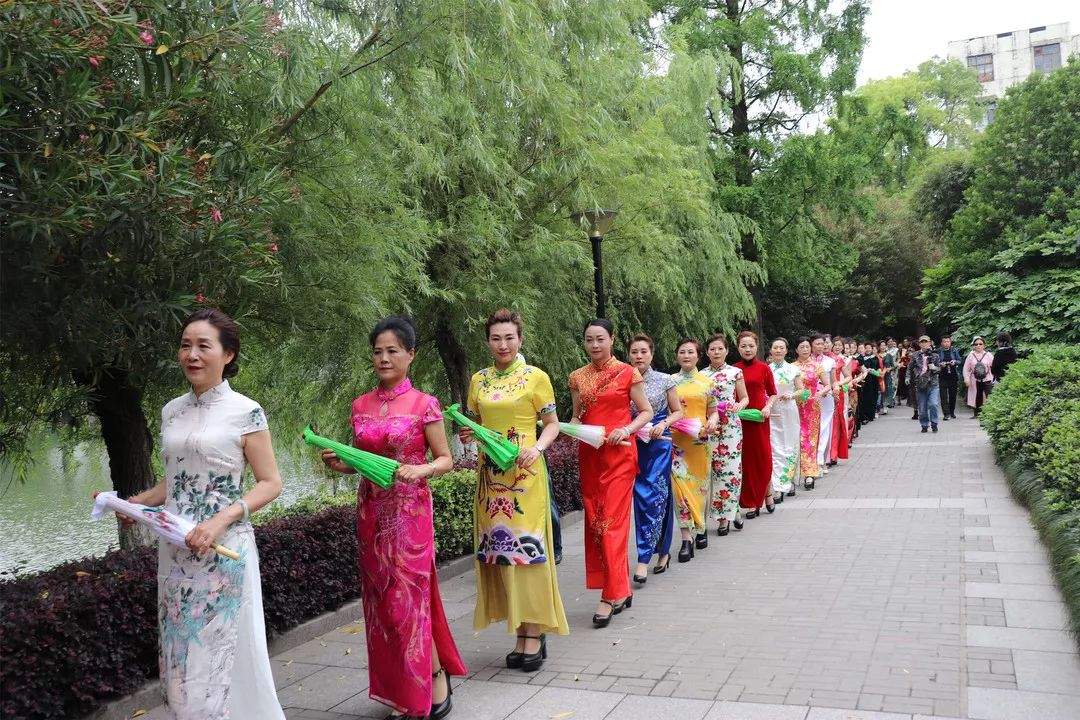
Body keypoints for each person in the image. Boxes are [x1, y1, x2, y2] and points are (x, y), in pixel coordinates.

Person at [118, 309, 285, 720]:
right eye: (185, 345)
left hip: (223, 551)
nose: (191, 354)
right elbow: (174, 482)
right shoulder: (171, 410)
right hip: (176, 551)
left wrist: (219, 521)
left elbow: (270, 483)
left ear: (227, 354)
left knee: (223, 654)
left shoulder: (247, 411)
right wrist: (135, 503)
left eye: (203, 346)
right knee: (181, 652)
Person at [322, 316, 466, 719]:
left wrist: (420, 470)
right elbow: (361, 462)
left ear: (410, 355)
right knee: (384, 603)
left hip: (409, 515)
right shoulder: (360, 405)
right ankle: (403, 688)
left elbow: (445, 459)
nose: (384, 358)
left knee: (411, 600)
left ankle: (433, 676)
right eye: (378, 351)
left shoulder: (425, 403)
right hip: (370, 512)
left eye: (393, 351)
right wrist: (341, 464)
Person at [459, 310, 568, 673]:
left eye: (509, 337)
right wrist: (469, 433)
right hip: (491, 477)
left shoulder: (536, 377)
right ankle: (520, 631)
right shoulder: (479, 380)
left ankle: (534, 632)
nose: (503, 345)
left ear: (520, 339)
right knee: (501, 552)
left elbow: (551, 424)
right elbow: (478, 424)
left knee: (528, 550)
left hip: (524, 473)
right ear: (488, 341)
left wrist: (536, 448)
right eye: (496, 338)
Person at [569, 319, 654, 628]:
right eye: (589, 339)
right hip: (591, 455)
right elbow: (576, 415)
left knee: (611, 525)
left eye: (600, 339)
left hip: (619, 455)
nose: (595, 345)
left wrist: (627, 429)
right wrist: (573, 427)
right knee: (596, 522)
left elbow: (646, 411)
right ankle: (622, 587)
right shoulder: (577, 377)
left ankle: (610, 595)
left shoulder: (627, 372)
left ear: (612, 340)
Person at [627, 334, 683, 581]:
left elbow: (678, 411)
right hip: (633, 444)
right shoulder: (624, 379)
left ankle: (642, 558)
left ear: (651, 354)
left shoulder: (665, 379)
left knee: (652, 495)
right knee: (655, 497)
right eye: (634, 352)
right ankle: (663, 550)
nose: (638, 356)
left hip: (659, 443)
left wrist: (664, 424)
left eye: (643, 352)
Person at [671, 339, 720, 559]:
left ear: (698, 356)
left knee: (701, 487)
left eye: (691, 352)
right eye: (682, 352)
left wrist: (712, 422)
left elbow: (714, 411)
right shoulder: (669, 382)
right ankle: (685, 538)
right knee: (679, 487)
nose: (686, 355)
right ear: (677, 356)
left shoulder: (707, 382)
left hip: (700, 440)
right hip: (676, 442)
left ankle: (700, 527)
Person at [702, 335, 749, 532]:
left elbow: (745, 398)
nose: (716, 352)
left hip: (730, 426)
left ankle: (724, 518)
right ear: (706, 353)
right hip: (709, 425)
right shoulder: (701, 375)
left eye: (720, 349)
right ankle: (733, 509)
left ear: (727, 351)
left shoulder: (735, 372)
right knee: (711, 471)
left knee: (729, 470)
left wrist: (738, 405)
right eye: (712, 349)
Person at [733, 331, 777, 516]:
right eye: (743, 346)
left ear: (757, 347)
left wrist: (767, 407)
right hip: (740, 419)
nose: (747, 349)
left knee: (763, 457)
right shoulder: (733, 369)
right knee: (746, 460)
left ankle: (767, 491)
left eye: (751, 346)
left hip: (759, 418)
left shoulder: (764, 368)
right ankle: (752, 501)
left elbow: (773, 393)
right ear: (738, 348)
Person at [768, 338, 805, 502]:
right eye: (775, 347)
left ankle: (789, 481)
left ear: (786, 350)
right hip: (772, 410)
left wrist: (791, 395)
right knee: (774, 446)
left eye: (781, 348)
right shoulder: (766, 369)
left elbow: (802, 390)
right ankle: (777, 486)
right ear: (771, 350)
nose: (778, 350)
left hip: (789, 410)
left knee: (790, 445)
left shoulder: (793, 369)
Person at [794, 337, 826, 489]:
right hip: (794, 407)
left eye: (807, 346)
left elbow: (828, 385)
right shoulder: (791, 367)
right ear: (796, 350)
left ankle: (809, 474)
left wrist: (821, 392)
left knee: (810, 440)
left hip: (812, 408)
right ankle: (792, 475)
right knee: (795, 440)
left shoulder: (817, 366)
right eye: (802, 347)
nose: (805, 349)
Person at [811, 335, 836, 474]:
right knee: (811, 428)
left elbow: (833, 381)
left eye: (822, 344)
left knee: (824, 428)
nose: (820, 346)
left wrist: (834, 389)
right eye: (817, 344)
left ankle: (820, 461)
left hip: (826, 398)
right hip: (810, 398)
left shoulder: (830, 361)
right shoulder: (806, 362)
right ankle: (811, 460)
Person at [907, 335, 942, 433]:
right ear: (919, 344)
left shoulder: (935, 355)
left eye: (926, 342)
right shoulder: (915, 355)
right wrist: (907, 377)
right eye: (922, 342)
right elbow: (909, 368)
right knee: (922, 407)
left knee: (933, 404)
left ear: (930, 343)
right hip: (920, 384)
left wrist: (934, 368)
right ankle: (924, 425)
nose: (924, 344)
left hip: (933, 384)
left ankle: (934, 423)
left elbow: (939, 369)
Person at [828, 337, 850, 464]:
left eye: (838, 345)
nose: (836, 347)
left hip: (836, 392)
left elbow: (848, 377)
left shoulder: (839, 360)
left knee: (836, 422)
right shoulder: (818, 359)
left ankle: (833, 454)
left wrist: (838, 383)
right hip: (822, 392)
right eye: (834, 344)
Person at [963, 336, 995, 418]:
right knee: (977, 395)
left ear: (984, 345)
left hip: (987, 378)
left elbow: (994, 367)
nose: (978, 346)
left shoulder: (989, 355)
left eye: (980, 344)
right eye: (976, 344)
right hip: (975, 379)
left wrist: (994, 378)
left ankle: (990, 413)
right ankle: (977, 413)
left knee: (989, 395)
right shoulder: (970, 356)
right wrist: (966, 379)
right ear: (973, 345)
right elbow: (966, 368)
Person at [937, 335, 962, 420]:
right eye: (945, 341)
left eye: (948, 341)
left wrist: (954, 362)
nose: (946, 343)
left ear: (950, 342)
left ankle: (952, 412)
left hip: (953, 375)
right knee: (943, 396)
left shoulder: (954, 350)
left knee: (952, 395)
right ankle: (946, 413)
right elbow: (935, 362)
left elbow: (959, 360)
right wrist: (940, 364)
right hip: (942, 375)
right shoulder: (938, 351)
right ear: (941, 343)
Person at [885, 338, 899, 408]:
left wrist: (895, 364)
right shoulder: (885, 350)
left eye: (891, 341)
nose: (890, 343)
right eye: (889, 341)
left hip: (894, 369)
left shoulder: (896, 350)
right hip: (886, 369)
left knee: (894, 384)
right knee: (888, 385)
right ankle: (888, 400)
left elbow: (899, 359)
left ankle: (892, 399)